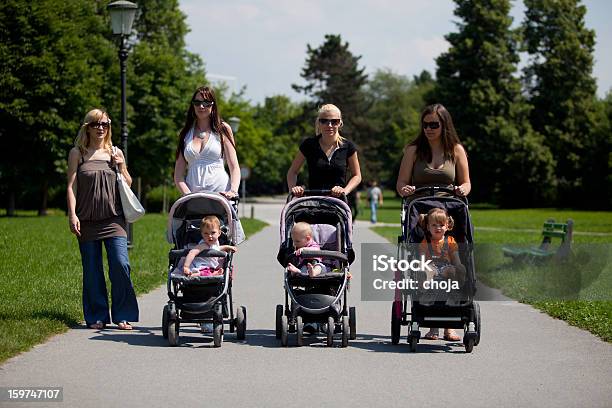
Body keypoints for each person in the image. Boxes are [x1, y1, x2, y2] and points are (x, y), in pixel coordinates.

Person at [396, 103, 471, 342]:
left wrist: (461, 189)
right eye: (425, 124)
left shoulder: (456, 150)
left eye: (434, 125)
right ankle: (429, 319)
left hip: (449, 212)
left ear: (444, 125)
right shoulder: (413, 150)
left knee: (454, 261)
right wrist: (405, 190)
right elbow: (400, 185)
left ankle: (450, 323)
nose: (428, 129)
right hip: (421, 213)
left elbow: (468, 183)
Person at [67, 109, 139, 331]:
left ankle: (123, 314)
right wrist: (72, 214)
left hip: (114, 219)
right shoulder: (77, 153)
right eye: (96, 124)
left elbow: (128, 183)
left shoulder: (114, 152)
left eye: (105, 124)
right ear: (87, 127)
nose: (101, 128)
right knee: (92, 269)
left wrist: (122, 165)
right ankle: (97, 315)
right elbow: (71, 186)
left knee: (120, 263)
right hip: (87, 219)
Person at [174, 86, 245, 243]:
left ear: (213, 106)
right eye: (197, 102)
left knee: (219, 239)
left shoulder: (222, 129)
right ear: (192, 106)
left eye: (206, 103)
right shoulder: (185, 133)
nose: (201, 106)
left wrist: (233, 190)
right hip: (193, 197)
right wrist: (187, 194)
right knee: (192, 240)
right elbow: (178, 174)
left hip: (219, 194)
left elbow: (234, 166)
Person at [287, 104, 362, 200]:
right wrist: (293, 188)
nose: (329, 125)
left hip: (339, 204)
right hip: (314, 203)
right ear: (319, 123)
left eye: (334, 121)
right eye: (324, 121)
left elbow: (357, 175)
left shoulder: (348, 146)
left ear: (340, 123)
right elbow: (292, 172)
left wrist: (344, 190)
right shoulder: (309, 145)